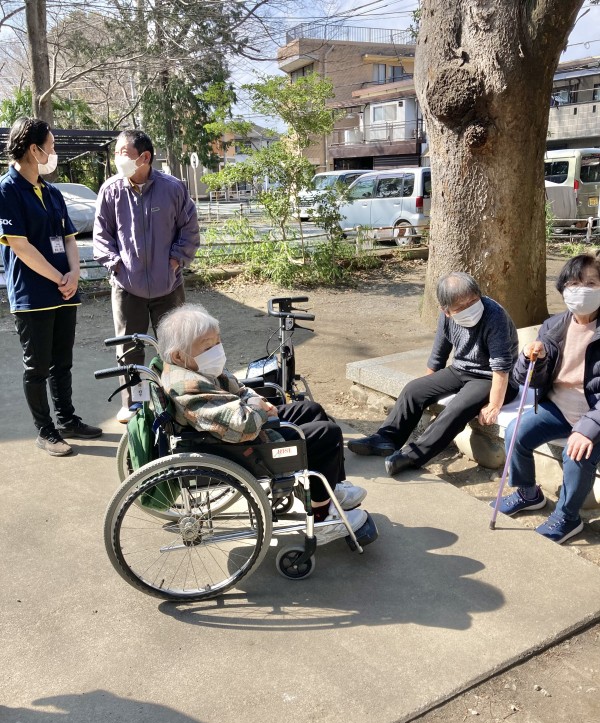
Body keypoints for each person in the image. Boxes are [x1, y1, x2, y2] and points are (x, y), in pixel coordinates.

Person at [156, 304, 369, 545]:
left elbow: (238, 388)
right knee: (326, 434)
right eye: (208, 346)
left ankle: (329, 487)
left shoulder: (194, 368)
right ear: (178, 355)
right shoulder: (189, 388)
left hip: (243, 427)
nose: (217, 350)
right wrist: (257, 406)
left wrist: (259, 401)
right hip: (244, 448)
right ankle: (322, 519)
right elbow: (243, 426)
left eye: (218, 342)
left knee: (312, 409)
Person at [348, 271, 519, 475]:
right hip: (461, 369)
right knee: (414, 389)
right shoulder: (446, 319)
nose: (469, 308)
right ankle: (386, 438)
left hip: (493, 377)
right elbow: (439, 354)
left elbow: (501, 366)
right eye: (461, 307)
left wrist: (494, 405)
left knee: (458, 407)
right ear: (446, 311)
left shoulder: (494, 315)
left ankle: (413, 456)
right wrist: (428, 388)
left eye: (473, 301)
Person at [0, 117, 102, 456]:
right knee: (37, 367)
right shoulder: (7, 190)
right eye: (51, 146)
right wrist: (59, 278)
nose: (54, 152)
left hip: (65, 290)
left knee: (63, 362)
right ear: (34, 149)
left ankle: (68, 420)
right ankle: (45, 432)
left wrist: (73, 273)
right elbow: (20, 246)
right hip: (33, 294)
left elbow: (69, 237)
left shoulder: (52, 191)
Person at [93, 129, 200, 424]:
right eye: (116, 152)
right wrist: (116, 265)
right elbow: (101, 235)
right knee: (129, 349)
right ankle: (135, 404)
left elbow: (189, 229)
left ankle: (177, 401)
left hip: (169, 285)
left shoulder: (172, 188)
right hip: (127, 288)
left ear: (145, 157)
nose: (118, 158)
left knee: (176, 346)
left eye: (123, 153)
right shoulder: (111, 190)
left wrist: (175, 261)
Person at [495, 253, 600, 544]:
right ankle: (528, 493)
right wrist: (532, 359)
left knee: (576, 454)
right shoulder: (553, 326)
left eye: (592, 283)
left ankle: (568, 517)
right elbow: (528, 380)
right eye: (575, 283)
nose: (582, 289)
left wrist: (589, 428)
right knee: (516, 431)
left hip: (594, 413)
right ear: (563, 288)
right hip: (558, 407)